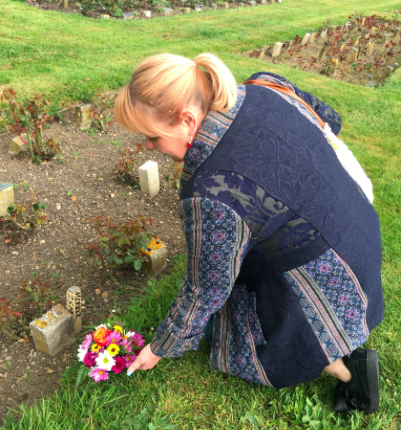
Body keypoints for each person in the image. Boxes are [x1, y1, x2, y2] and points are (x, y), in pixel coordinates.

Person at [114, 53, 383, 414]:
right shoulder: (263, 86)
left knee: (277, 340)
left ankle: (353, 377)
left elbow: (205, 288)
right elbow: (328, 120)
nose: (148, 147)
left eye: (151, 137)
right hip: (357, 226)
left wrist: (160, 347)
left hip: (334, 275)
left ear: (187, 120)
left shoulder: (212, 192)